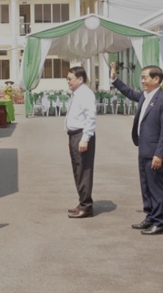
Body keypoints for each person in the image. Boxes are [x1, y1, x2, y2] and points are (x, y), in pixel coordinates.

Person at [111, 63, 163, 235]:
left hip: (154, 152)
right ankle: (150, 216)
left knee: (155, 186)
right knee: (145, 186)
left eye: (145, 77)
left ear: (156, 79)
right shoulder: (145, 96)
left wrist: (159, 154)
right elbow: (128, 92)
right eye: (142, 77)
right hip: (143, 149)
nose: (142, 80)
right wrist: (115, 79)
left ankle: (160, 221)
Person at [65, 66, 97, 219]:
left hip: (82, 135)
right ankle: (82, 201)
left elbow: (90, 118)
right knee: (77, 171)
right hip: (74, 135)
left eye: (70, 79)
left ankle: (86, 206)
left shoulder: (85, 94)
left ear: (80, 79)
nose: (68, 81)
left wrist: (85, 138)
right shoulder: (76, 94)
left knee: (84, 171)